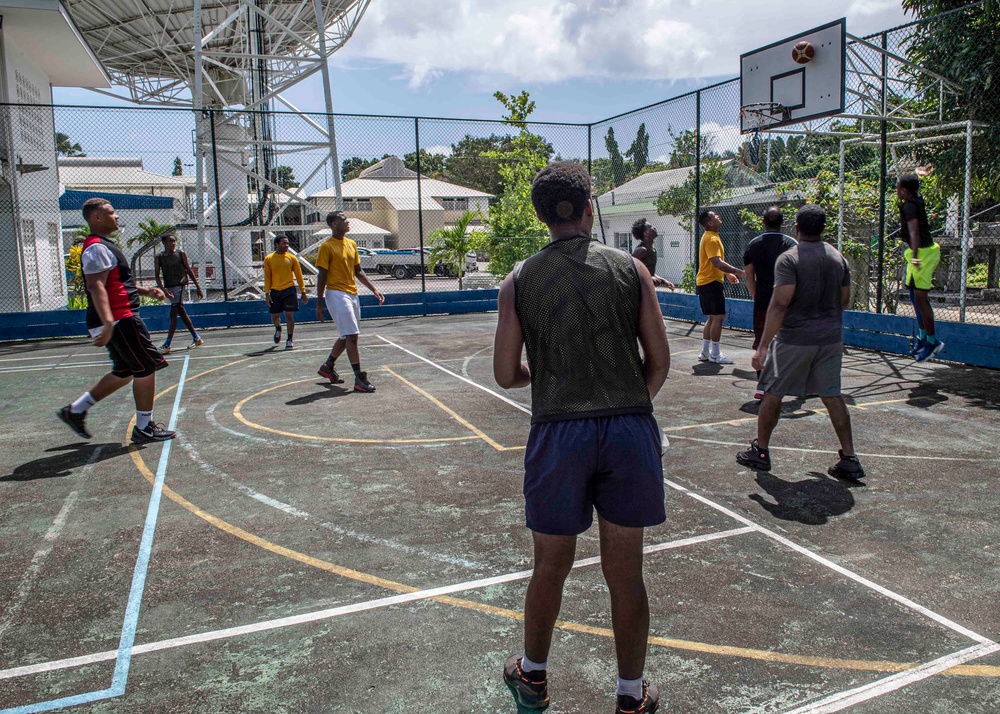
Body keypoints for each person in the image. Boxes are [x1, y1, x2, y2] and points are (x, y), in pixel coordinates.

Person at [494, 162, 670, 714]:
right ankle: (629, 695)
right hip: (628, 428)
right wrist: (627, 402)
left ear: (540, 215)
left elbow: (505, 373)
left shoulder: (519, 278)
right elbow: (659, 362)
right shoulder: (631, 269)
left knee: (550, 563)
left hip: (558, 430)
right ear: (589, 207)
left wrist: (543, 379)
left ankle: (534, 677)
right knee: (626, 570)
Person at [736, 205, 865, 480]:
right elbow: (844, 299)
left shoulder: (789, 259)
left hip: (795, 338)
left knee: (772, 391)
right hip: (830, 338)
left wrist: (763, 346)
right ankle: (850, 457)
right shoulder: (837, 257)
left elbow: (780, 304)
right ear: (822, 228)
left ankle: (760, 451)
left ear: (796, 228)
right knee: (832, 395)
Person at [57, 198, 176, 445]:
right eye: (111, 213)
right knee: (146, 367)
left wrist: (145, 291)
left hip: (119, 317)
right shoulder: (97, 248)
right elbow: (96, 285)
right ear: (97, 218)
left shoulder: (104, 246)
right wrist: (109, 320)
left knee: (125, 371)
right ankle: (144, 427)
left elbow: (116, 282)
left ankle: (76, 410)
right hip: (121, 318)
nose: (117, 216)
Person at [315, 211, 385, 392]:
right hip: (336, 294)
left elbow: (358, 271)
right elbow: (322, 276)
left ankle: (328, 366)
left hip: (352, 294)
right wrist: (319, 302)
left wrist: (374, 289)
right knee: (352, 336)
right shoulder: (326, 247)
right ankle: (359, 378)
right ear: (333, 224)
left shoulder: (352, 244)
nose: (347, 221)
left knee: (346, 335)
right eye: (343, 219)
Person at [743, 206, 797, 398]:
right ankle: (785, 382)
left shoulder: (753, 245)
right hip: (786, 302)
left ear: (763, 222)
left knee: (761, 341)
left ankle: (761, 385)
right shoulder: (792, 245)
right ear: (783, 223)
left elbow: (749, 275)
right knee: (787, 342)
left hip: (763, 301)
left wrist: (756, 295)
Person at [897, 174, 944, 362]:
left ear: (904, 190)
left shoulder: (910, 206)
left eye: (898, 187)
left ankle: (932, 342)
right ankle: (923, 338)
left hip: (922, 254)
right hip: (918, 253)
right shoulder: (915, 200)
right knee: (913, 296)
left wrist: (915, 257)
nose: (896, 189)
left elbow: (914, 231)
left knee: (921, 299)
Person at [695, 210, 744, 364]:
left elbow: (714, 262)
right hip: (710, 282)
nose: (718, 217)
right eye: (715, 216)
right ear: (709, 223)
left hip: (707, 281)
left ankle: (705, 352)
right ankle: (715, 354)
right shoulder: (712, 239)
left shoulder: (711, 237)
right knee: (718, 317)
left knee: (712, 317)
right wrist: (740, 272)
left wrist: (728, 274)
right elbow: (716, 262)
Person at [154, 230, 204, 355]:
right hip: (170, 288)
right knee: (181, 313)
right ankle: (196, 338)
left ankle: (167, 344)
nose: (173, 243)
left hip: (180, 286)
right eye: (170, 241)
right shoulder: (159, 257)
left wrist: (198, 287)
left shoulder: (180, 254)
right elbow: (157, 276)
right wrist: (164, 290)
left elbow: (188, 270)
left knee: (173, 314)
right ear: (164, 243)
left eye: (174, 241)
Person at [264, 235, 308, 350]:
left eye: (287, 243)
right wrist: (267, 293)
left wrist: (303, 292)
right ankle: (278, 328)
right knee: (275, 316)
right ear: (277, 244)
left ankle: (289, 339)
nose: (287, 245)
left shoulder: (292, 258)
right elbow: (267, 277)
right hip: (275, 291)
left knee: (289, 314)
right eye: (284, 243)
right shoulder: (269, 259)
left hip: (289, 290)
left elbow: (299, 275)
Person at [631, 219, 675, 290]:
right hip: (637, 290)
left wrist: (664, 281)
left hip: (647, 289)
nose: (654, 228)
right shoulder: (641, 250)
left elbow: (650, 273)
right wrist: (649, 278)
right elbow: (631, 271)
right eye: (650, 227)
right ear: (646, 233)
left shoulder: (652, 250)